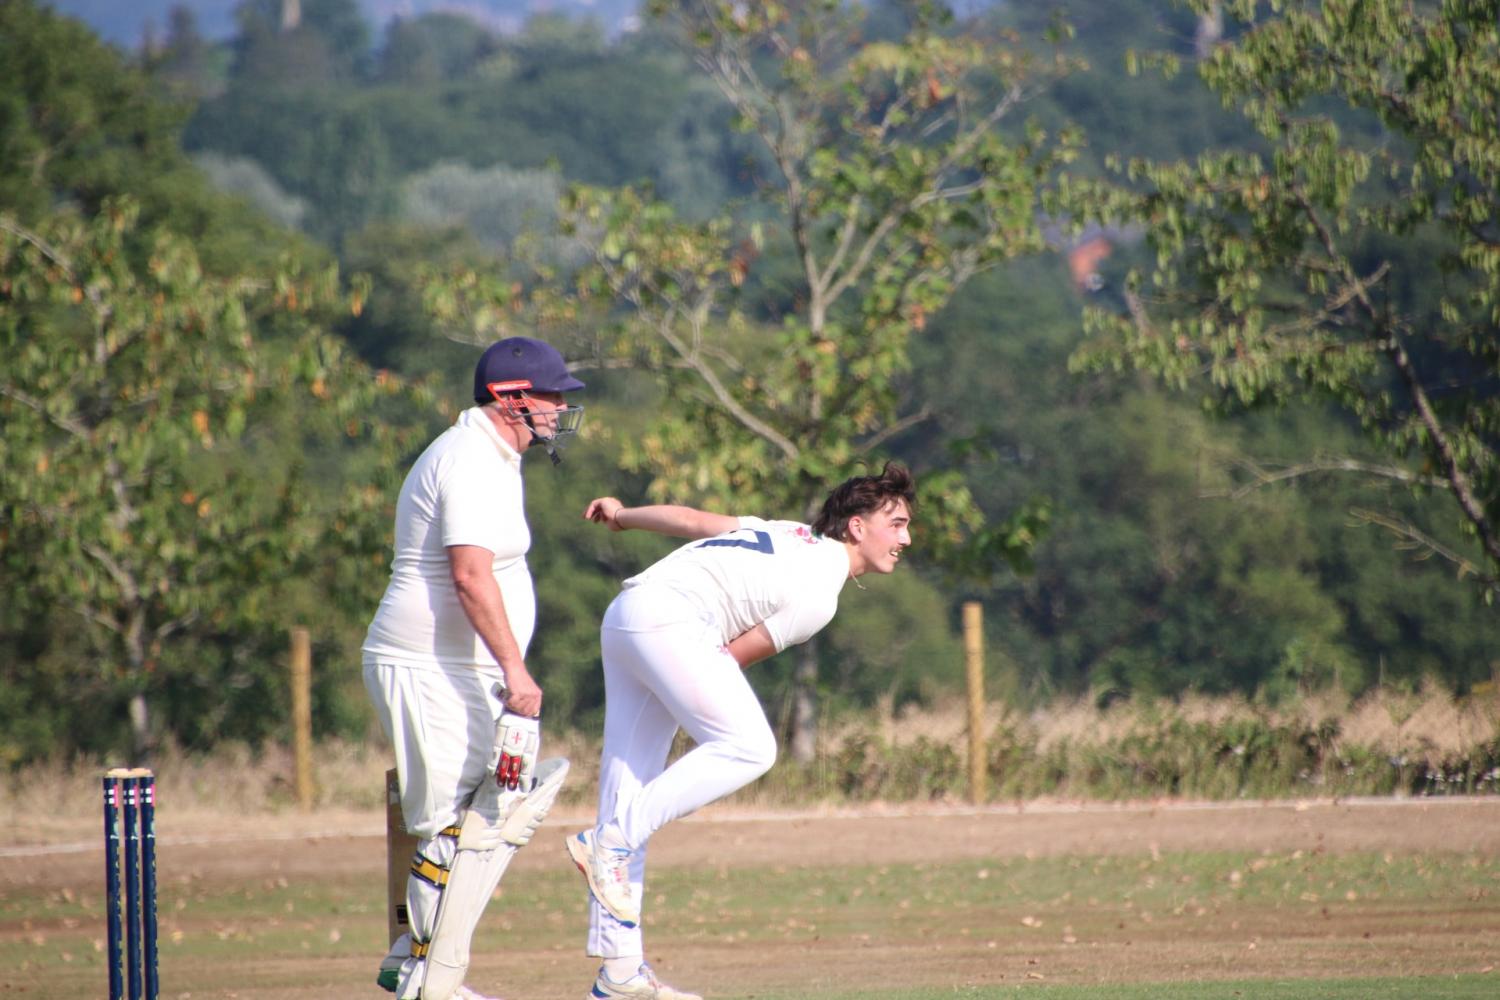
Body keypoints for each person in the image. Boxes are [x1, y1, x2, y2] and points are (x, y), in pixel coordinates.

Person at [565, 462, 916, 1000]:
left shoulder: (786, 531)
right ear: (856, 527)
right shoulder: (820, 594)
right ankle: (606, 844)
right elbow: (730, 657)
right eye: (896, 524)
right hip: (672, 624)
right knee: (749, 748)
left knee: (629, 793)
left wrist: (623, 515)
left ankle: (621, 973)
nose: (906, 539)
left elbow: (689, 520)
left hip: (626, 613)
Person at [364, 336, 586, 1000]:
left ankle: (415, 962)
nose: (560, 408)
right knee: (458, 828)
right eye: (550, 395)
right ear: (509, 398)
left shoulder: (496, 457)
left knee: (496, 813)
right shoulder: (468, 459)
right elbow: (468, 576)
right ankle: (429, 978)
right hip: (427, 666)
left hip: (461, 669)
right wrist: (516, 671)